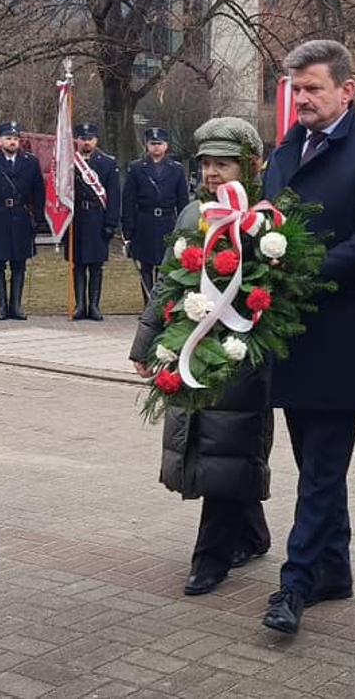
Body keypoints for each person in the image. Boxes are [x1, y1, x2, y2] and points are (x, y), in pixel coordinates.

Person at [257, 39, 355, 636]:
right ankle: (335, 569)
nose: (303, 100)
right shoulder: (286, 149)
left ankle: (294, 584)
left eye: (314, 88)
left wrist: (303, 268)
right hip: (291, 333)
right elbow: (267, 220)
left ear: (348, 90)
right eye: (297, 90)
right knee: (313, 460)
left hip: (343, 334)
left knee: (320, 469)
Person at [130, 116, 273, 599]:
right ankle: (251, 534)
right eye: (207, 163)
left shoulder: (264, 218)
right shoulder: (194, 214)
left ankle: (209, 559)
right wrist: (146, 341)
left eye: (224, 163)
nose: (213, 173)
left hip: (241, 351)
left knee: (227, 443)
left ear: (251, 167)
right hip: (191, 344)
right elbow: (169, 279)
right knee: (215, 448)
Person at [0, 122, 44, 321]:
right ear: (0, 141)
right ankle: (2, 305)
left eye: (15, 139)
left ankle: (16, 306)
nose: (12, 142)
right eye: (9, 139)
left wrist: (38, 218)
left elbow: (39, 192)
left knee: (19, 263)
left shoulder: (30, 162)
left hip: (21, 216)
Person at [62, 123, 121, 321]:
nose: (87, 142)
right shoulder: (69, 163)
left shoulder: (107, 163)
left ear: (96, 140)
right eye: (83, 138)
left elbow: (114, 195)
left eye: (90, 139)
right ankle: (80, 306)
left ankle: (94, 306)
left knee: (96, 265)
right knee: (78, 264)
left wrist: (111, 223)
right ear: (77, 140)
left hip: (98, 218)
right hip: (76, 219)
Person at [122, 127, 190, 297]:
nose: (156, 147)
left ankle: (161, 305)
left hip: (167, 222)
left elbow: (182, 200)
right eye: (153, 144)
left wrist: (183, 228)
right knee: (145, 266)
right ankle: (148, 305)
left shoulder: (176, 169)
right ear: (147, 145)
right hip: (144, 221)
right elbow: (129, 200)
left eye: (160, 144)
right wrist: (128, 228)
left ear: (166, 146)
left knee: (165, 266)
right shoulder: (137, 168)